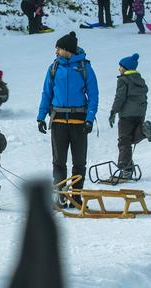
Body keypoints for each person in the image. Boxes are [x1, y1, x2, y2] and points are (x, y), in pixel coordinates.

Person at [36, 32, 99, 206]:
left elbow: (93, 95)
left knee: (79, 162)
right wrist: (41, 117)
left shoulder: (85, 67)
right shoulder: (54, 67)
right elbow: (46, 93)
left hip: (79, 122)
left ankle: (76, 196)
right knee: (58, 162)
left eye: (59, 48)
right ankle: (60, 195)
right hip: (58, 122)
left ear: (67, 50)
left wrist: (90, 119)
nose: (56, 51)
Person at [108, 54, 151, 179]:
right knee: (131, 139)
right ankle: (143, 130)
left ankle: (126, 169)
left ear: (125, 68)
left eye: (120, 66)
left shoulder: (123, 80)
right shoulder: (140, 80)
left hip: (126, 116)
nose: (119, 69)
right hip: (139, 114)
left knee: (124, 141)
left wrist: (113, 111)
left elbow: (120, 97)